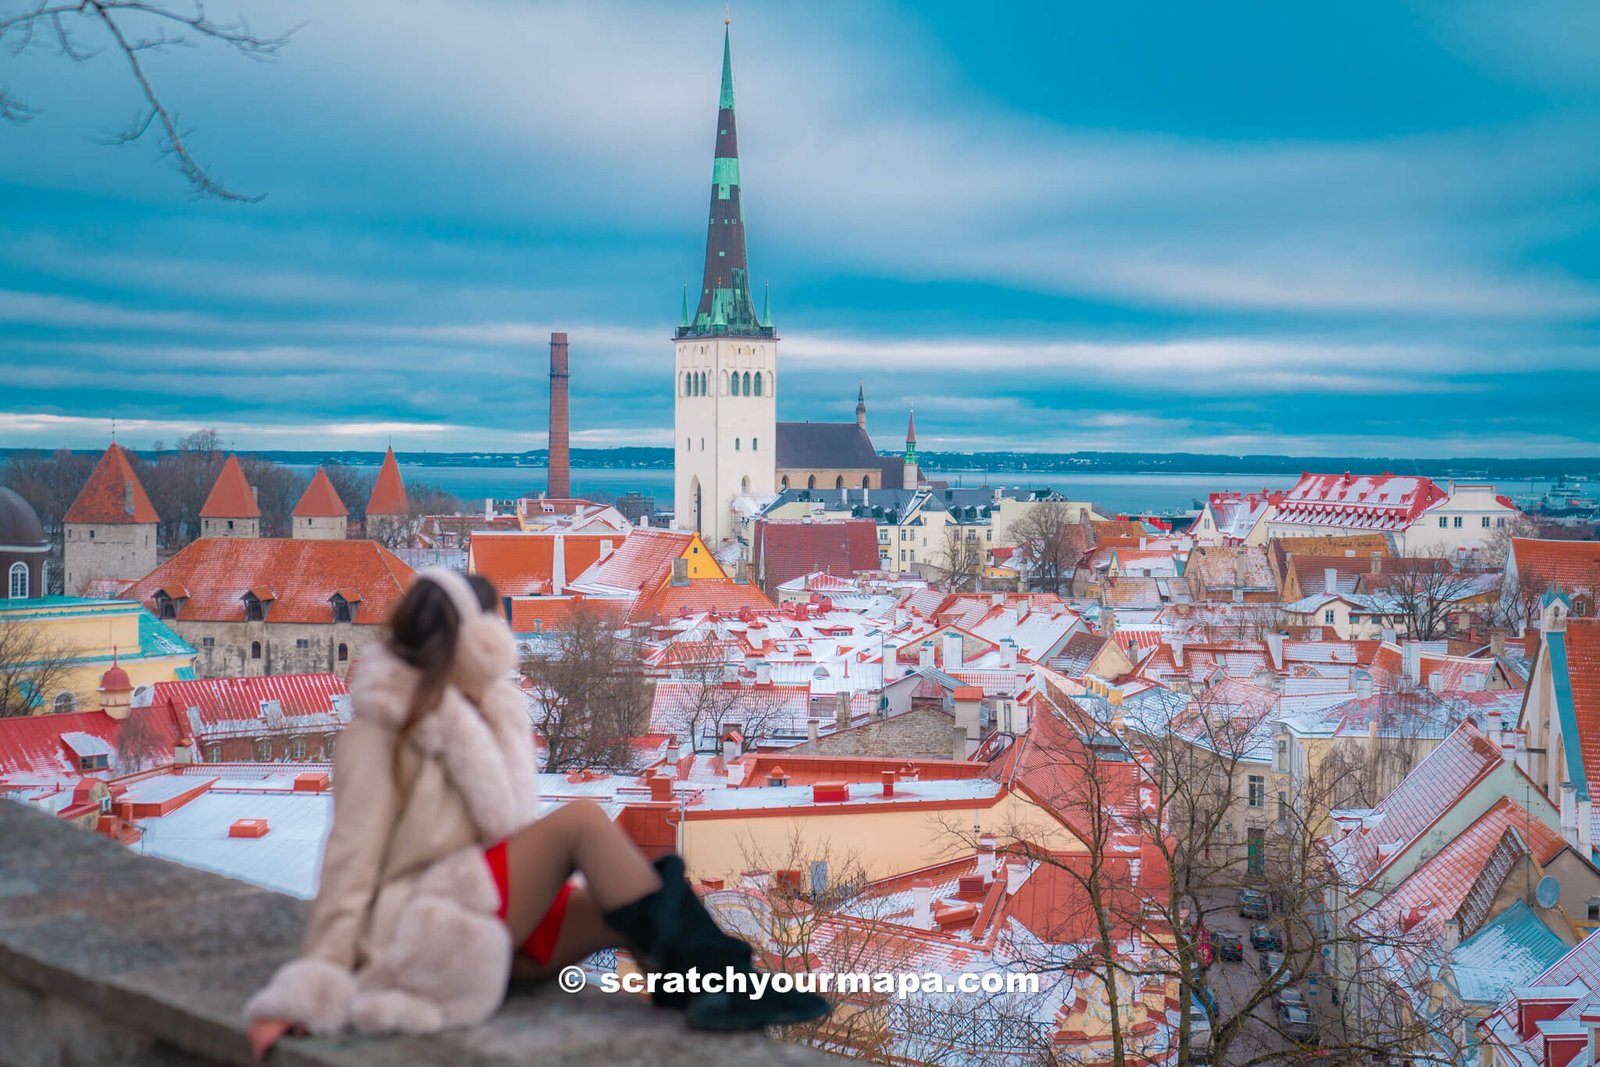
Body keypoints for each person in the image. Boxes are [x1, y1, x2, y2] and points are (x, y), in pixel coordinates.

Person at [245, 568, 828, 1056]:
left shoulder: (484, 713)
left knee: (627, 906)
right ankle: (731, 979)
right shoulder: (380, 731)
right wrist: (308, 991)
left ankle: (709, 995)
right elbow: (349, 863)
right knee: (580, 820)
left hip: (479, 931)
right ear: (472, 640)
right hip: (419, 935)